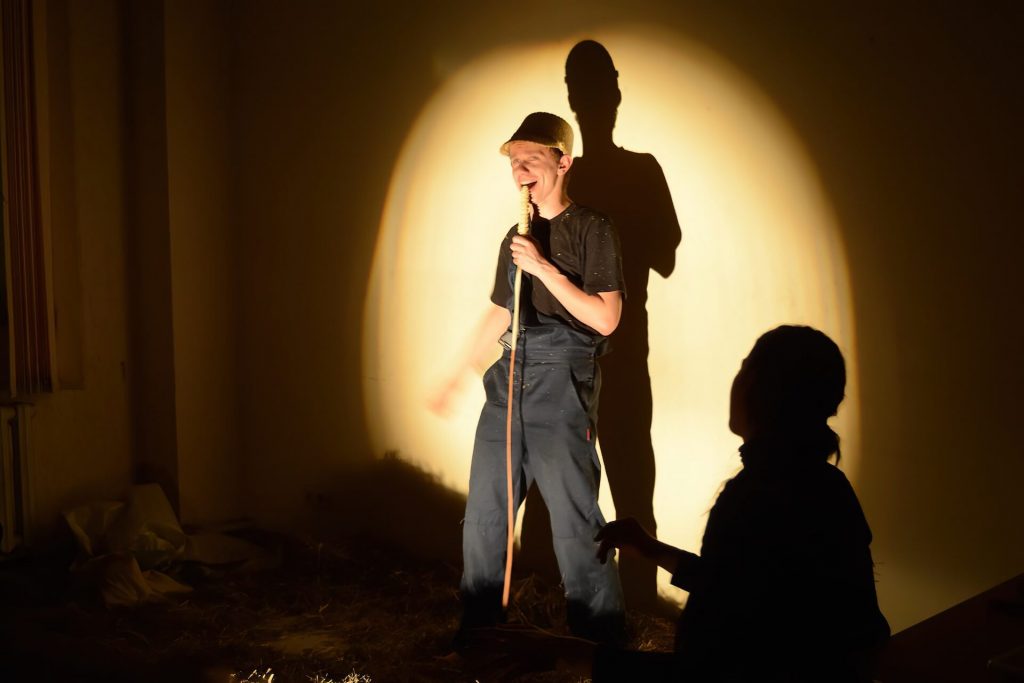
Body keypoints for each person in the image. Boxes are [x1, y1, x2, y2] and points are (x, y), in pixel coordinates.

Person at [461, 325, 890, 681]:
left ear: (759, 388)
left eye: (744, 369)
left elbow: (711, 668)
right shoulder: (827, 487)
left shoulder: (756, 499)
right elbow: (757, 595)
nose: (736, 380)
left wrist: (570, 654)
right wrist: (656, 552)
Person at [431, 112, 627, 644]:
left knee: (572, 516)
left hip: (562, 375)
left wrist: (543, 267)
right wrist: (459, 372)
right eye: (513, 162)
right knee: (485, 515)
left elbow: (606, 317)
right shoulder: (515, 236)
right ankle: (480, 635)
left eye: (531, 160)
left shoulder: (592, 227)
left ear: (563, 163)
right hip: (510, 373)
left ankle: (597, 642)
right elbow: (503, 311)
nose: (519, 172)